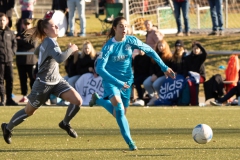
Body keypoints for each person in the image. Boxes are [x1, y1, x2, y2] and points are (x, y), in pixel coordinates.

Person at [88, 16, 175, 150]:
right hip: (111, 82)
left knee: (119, 113)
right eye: (121, 26)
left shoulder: (131, 40)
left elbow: (150, 50)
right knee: (120, 109)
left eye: (126, 26)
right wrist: (117, 81)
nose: (124, 29)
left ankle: (98, 101)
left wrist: (164, 67)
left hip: (127, 82)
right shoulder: (109, 46)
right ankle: (130, 143)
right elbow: (99, 68)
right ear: (114, 28)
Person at [1, 10, 82, 144]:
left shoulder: (48, 41)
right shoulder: (49, 42)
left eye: (56, 25)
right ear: (45, 30)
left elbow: (37, 51)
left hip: (56, 81)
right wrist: (71, 49)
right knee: (28, 112)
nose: (56, 27)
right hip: (43, 85)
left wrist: (43, 57)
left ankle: (65, 123)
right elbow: (60, 58)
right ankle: (7, 127)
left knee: (77, 100)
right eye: (53, 26)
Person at [143, 39, 173, 106]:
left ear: (165, 46)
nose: (160, 48)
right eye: (159, 46)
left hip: (164, 75)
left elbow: (166, 68)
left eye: (162, 46)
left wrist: (157, 76)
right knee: (146, 83)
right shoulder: (155, 55)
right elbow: (151, 67)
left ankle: (161, 98)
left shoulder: (168, 56)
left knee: (155, 85)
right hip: (155, 75)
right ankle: (154, 98)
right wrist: (153, 74)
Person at [16, 18, 37, 103]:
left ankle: (33, 95)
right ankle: (24, 95)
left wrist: (20, 41)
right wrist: (24, 42)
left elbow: (33, 44)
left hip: (31, 61)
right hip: (21, 61)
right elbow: (15, 43)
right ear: (23, 25)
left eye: (28, 24)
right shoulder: (19, 34)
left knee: (33, 79)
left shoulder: (34, 34)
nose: (27, 25)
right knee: (22, 79)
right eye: (25, 24)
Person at [0, 13, 18, 106]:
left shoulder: (10, 33)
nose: (2, 22)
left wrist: (12, 53)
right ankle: (3, 99)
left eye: (3, 20)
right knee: (0, 81)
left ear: (6, 21)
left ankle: (9, 99)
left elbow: (14, 44)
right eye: (0, 20)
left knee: (10, 80)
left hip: (9, 60)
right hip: (0, 61)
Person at [183, 41, 207, 105]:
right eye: (194, 48)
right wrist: (186, 75)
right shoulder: (188, 58)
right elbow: (185, 68)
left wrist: (200, 46)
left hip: (200, 76)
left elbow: (205, 53)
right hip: (190, 76)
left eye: (197, 48)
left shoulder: (201, 57)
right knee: (189, 82)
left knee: (192, 82)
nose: (196, 50)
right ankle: (188, 101)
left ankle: (194, 102)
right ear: (192, 49)